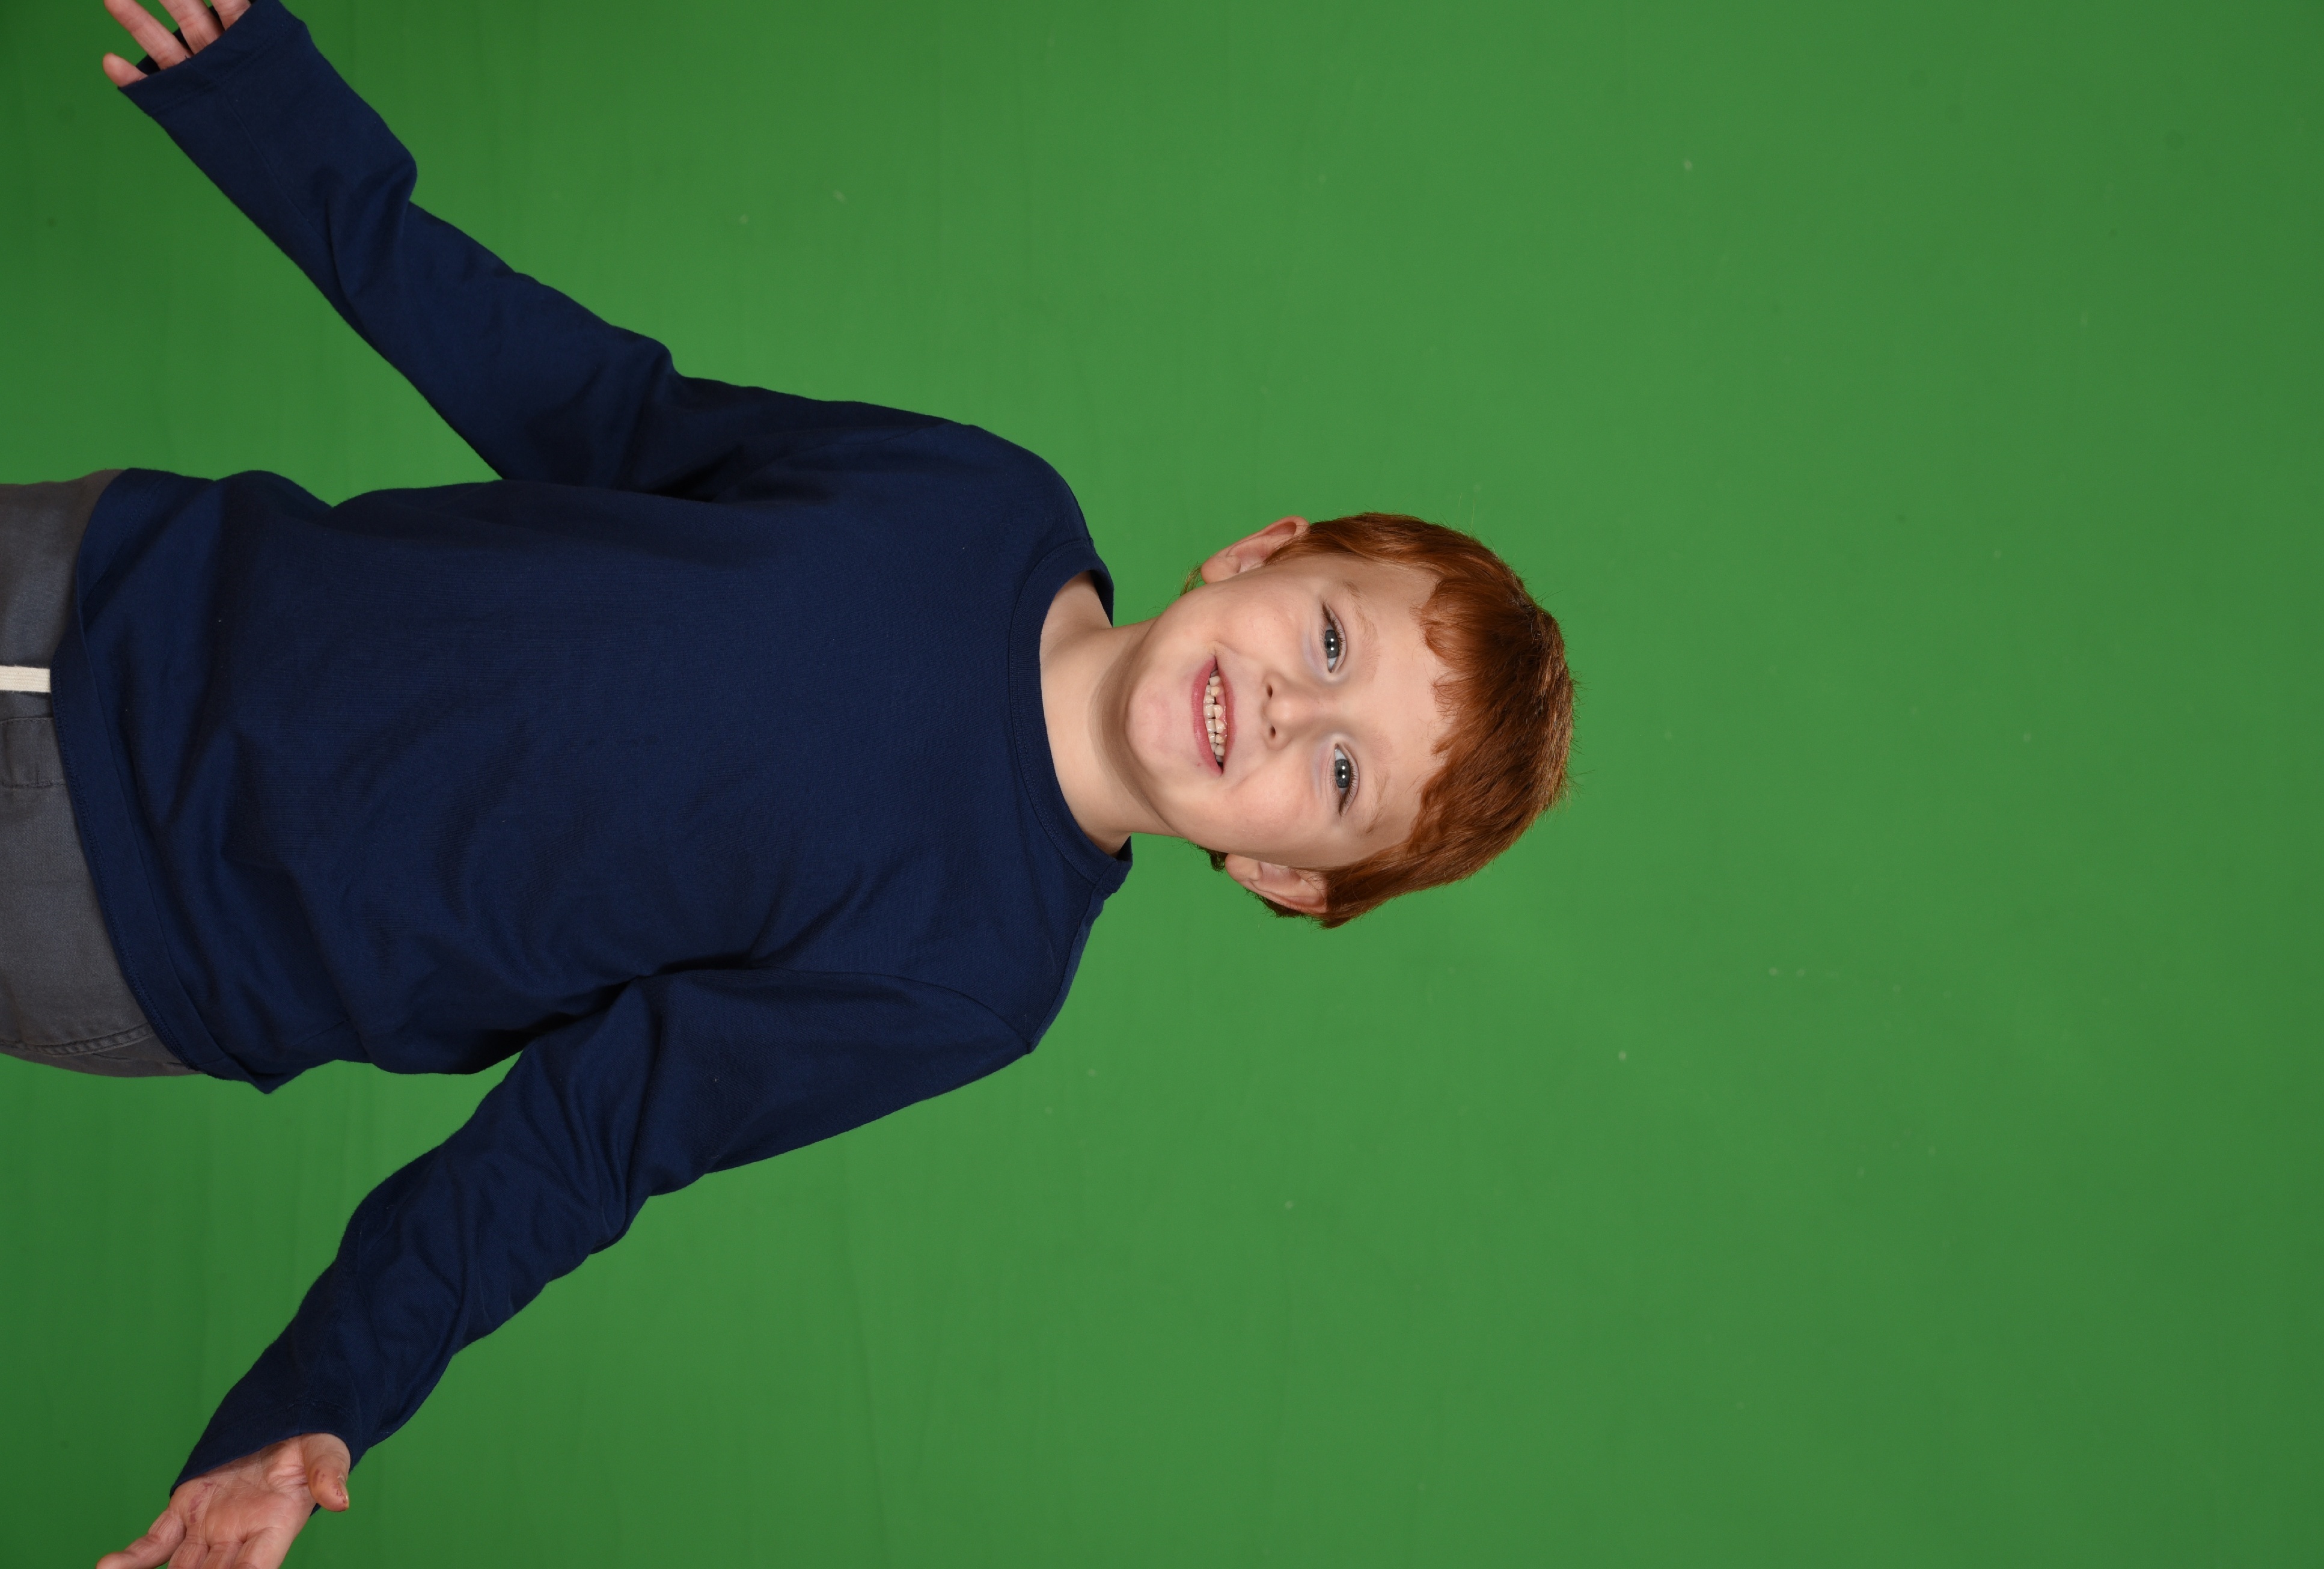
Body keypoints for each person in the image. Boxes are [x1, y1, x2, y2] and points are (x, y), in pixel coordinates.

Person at [7, 0, 1573, 1564]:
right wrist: (275, 120)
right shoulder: (981, 501)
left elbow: (590, 1138)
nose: (1291, 709)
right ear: (1262, 552)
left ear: (1289, 877)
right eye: (1329, 638)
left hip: (133, 915)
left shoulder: (971, 974)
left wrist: (321, 1395)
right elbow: (597, 411)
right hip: (130, 575)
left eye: (1344, 773)